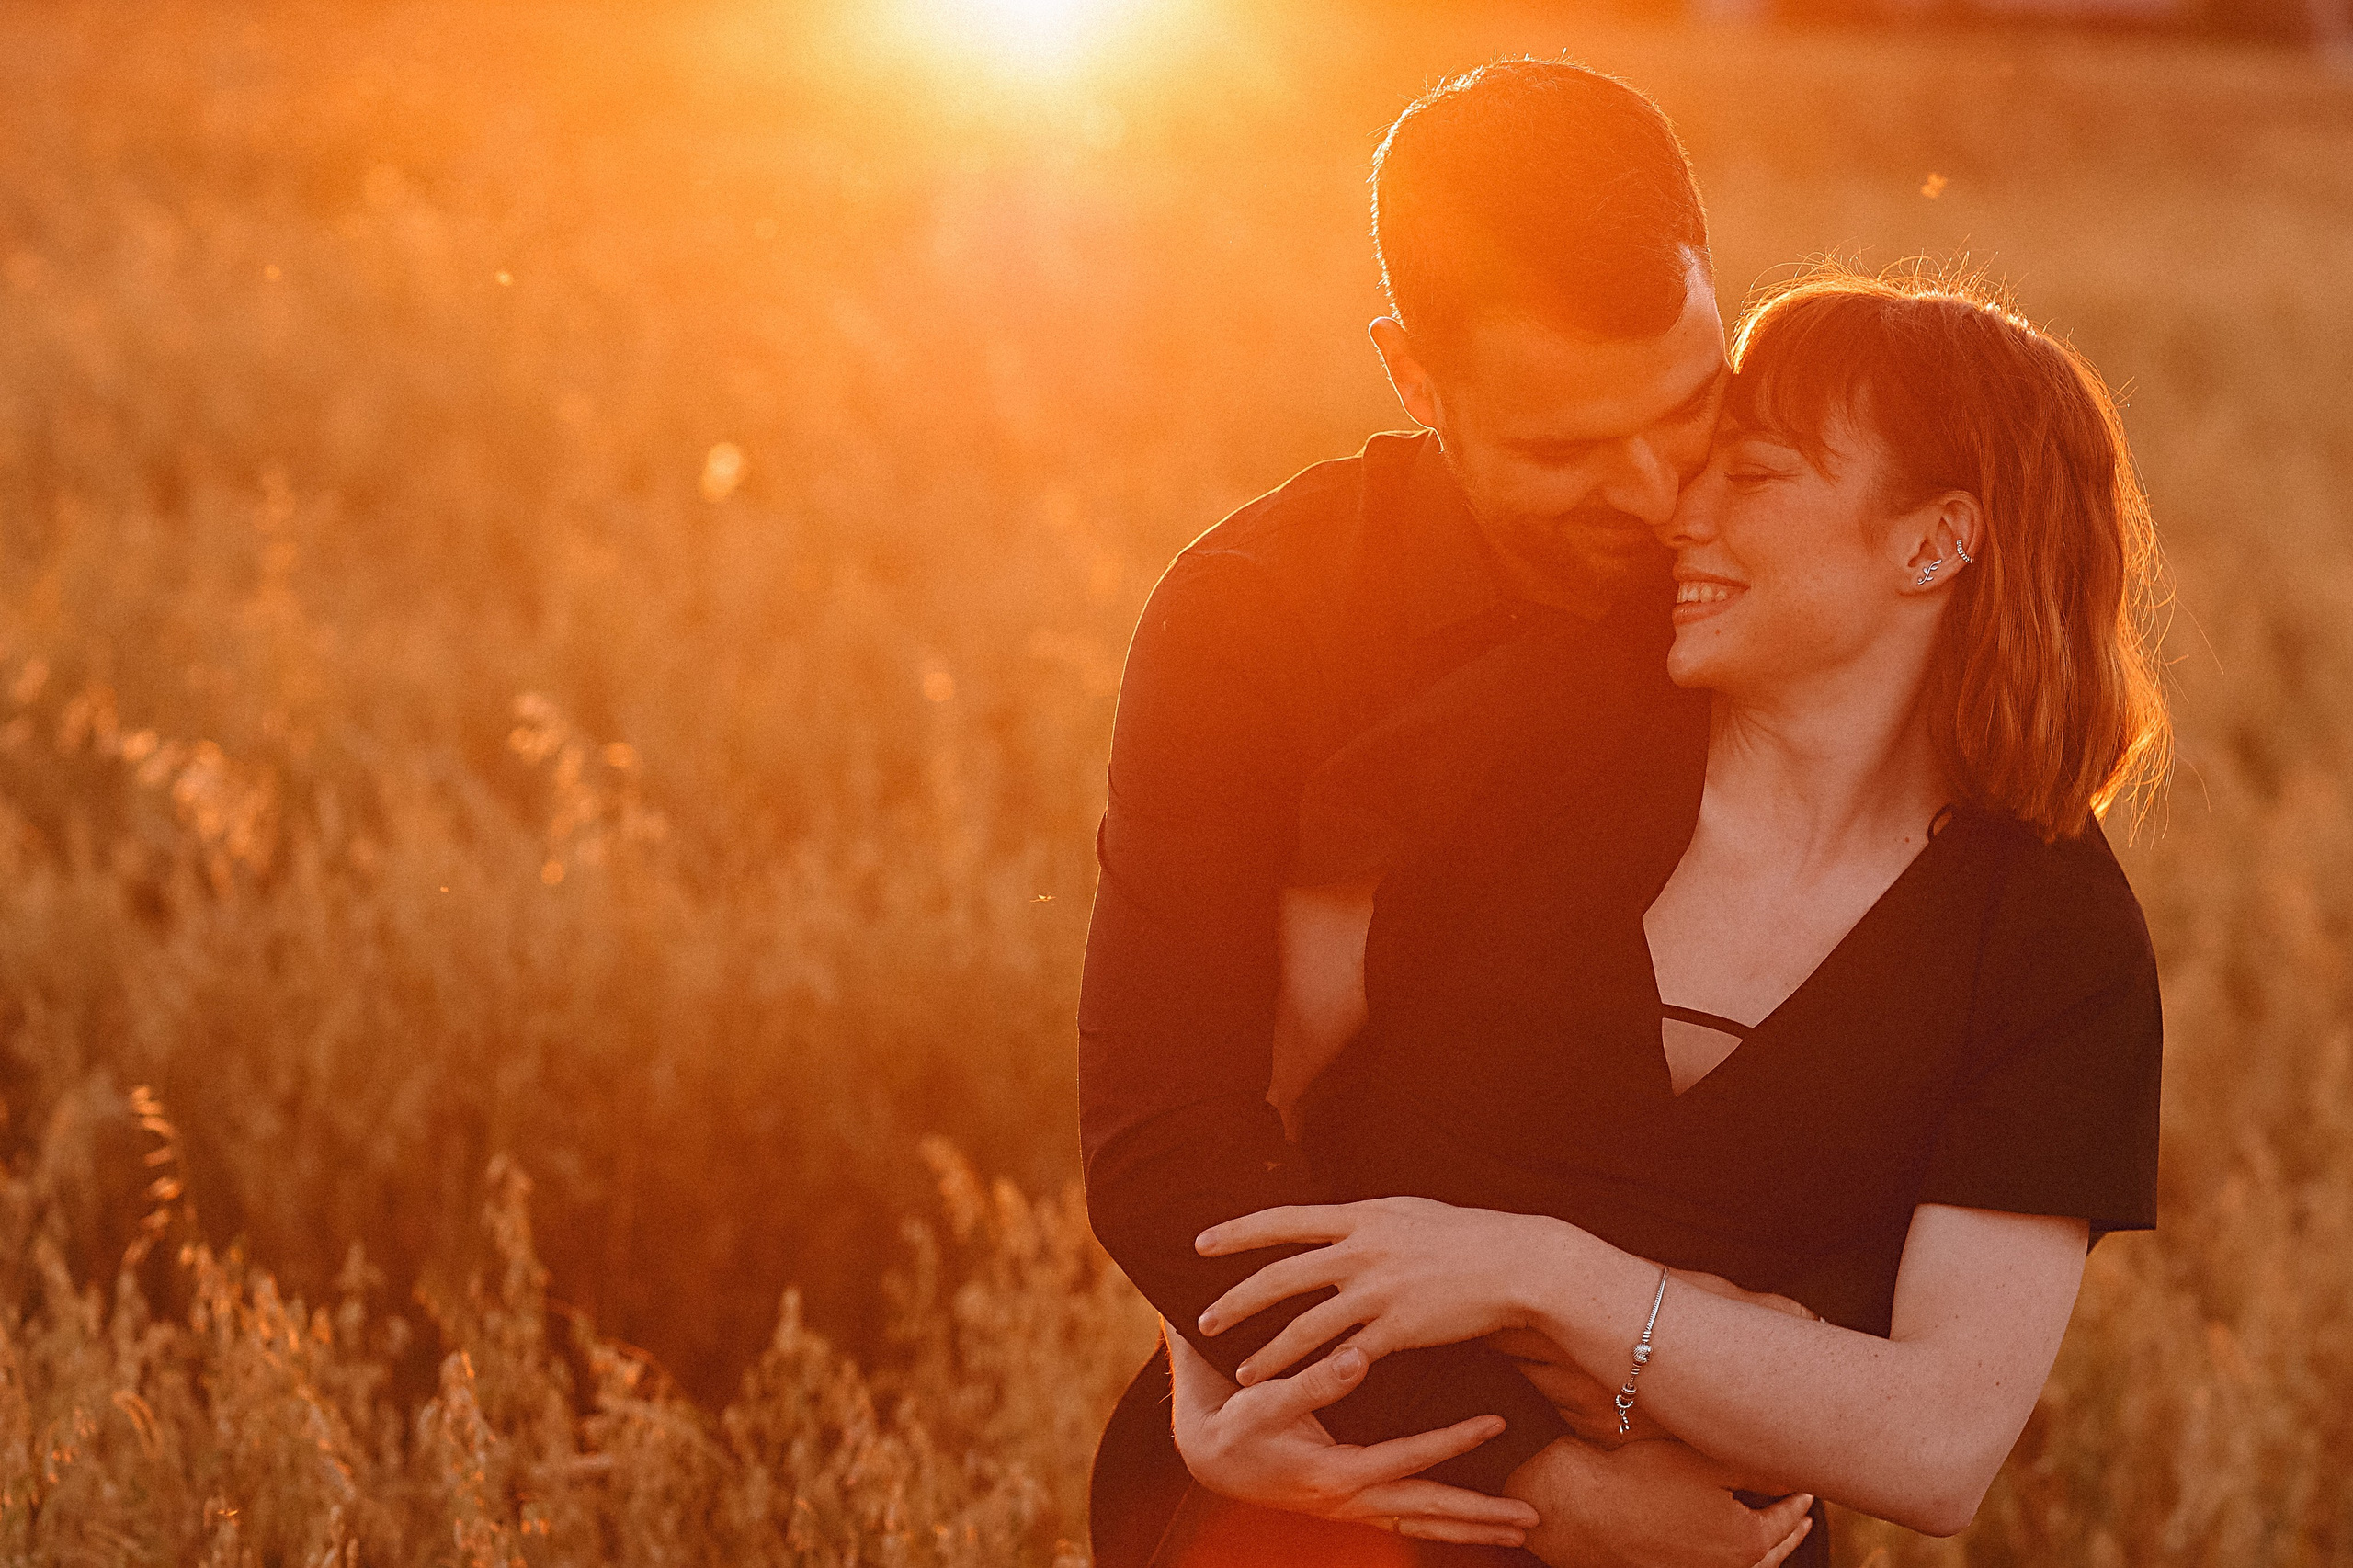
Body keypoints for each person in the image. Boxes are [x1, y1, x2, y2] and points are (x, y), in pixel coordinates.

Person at [1165, 268, 2170, 1567]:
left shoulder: (2057, 941)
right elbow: (1233, 1118)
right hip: (1308, 1516)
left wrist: (1545, 1276)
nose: (1680, 511)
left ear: (1936, 541)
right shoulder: (1520, 737)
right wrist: (1207, 1394)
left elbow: (1936, 1441)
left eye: (1752, 476)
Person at [1078, 55, 1826, 1568]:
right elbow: (1168, 1135)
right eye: (1562, 448)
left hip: (1718, 1477)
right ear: (1413, 380)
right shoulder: (1255, 620)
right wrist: (1548, 1487)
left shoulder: (1820, 571)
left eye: (1686, 403)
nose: (1652, 489)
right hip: (1331, 1475)